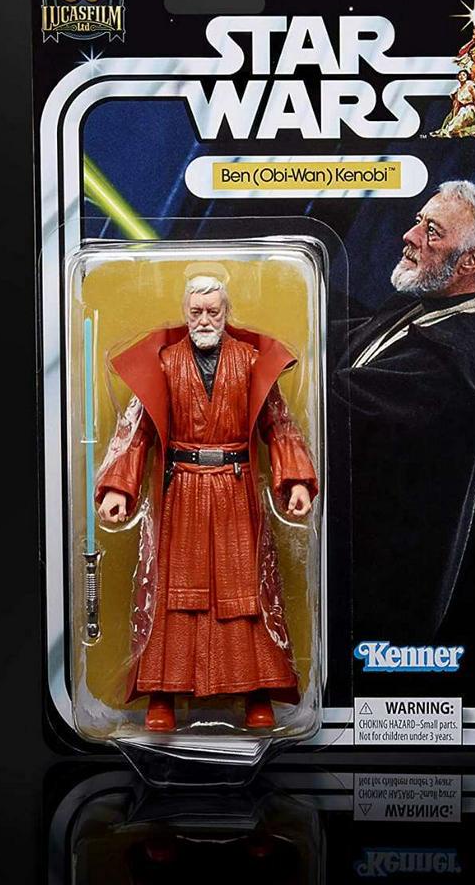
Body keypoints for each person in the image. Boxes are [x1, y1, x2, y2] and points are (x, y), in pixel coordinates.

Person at [95, 275, 318, 732]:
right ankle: (162, 693)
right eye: (195, 312)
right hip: (181, 491)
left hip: (236, 490)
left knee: (247, 593)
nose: (203, 320)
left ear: (226, 312)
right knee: (173, 594)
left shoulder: (249, 360)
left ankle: (256, 692)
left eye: (212, 312)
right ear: (185, 312)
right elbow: (136, 431)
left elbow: (278, 424)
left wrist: (295, 479)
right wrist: (119, 487)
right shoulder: (165, 363)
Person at [337, 181, 475, 642]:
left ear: (472, 261)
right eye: (419, 221)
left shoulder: (461, 362)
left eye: (432, 231)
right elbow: (351, 338)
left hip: (376, 598)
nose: (410, 235)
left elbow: (342, 406)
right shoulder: (434, 301)